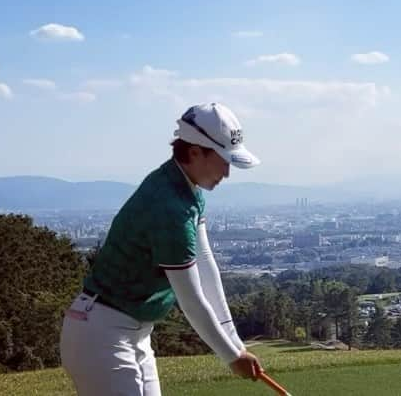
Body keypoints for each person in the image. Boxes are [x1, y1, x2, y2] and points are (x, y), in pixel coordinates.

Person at [60, 102, 263, 395]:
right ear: (195, 152)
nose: (228, 172)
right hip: (101, 334)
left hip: (134, 332)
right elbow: (191, 300)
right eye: (223, 160)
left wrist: (236, 344)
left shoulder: (187, 189)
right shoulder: (170, 208)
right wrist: (231, 357)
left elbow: (206, 265)